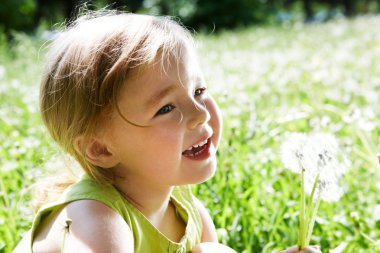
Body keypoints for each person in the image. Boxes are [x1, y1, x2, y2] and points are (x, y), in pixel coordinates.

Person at [13, 11, 322, 253]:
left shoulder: (186, 210)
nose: (200, 113)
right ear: (101, 149)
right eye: (166, 108)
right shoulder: (95, 221)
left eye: (198, 90)